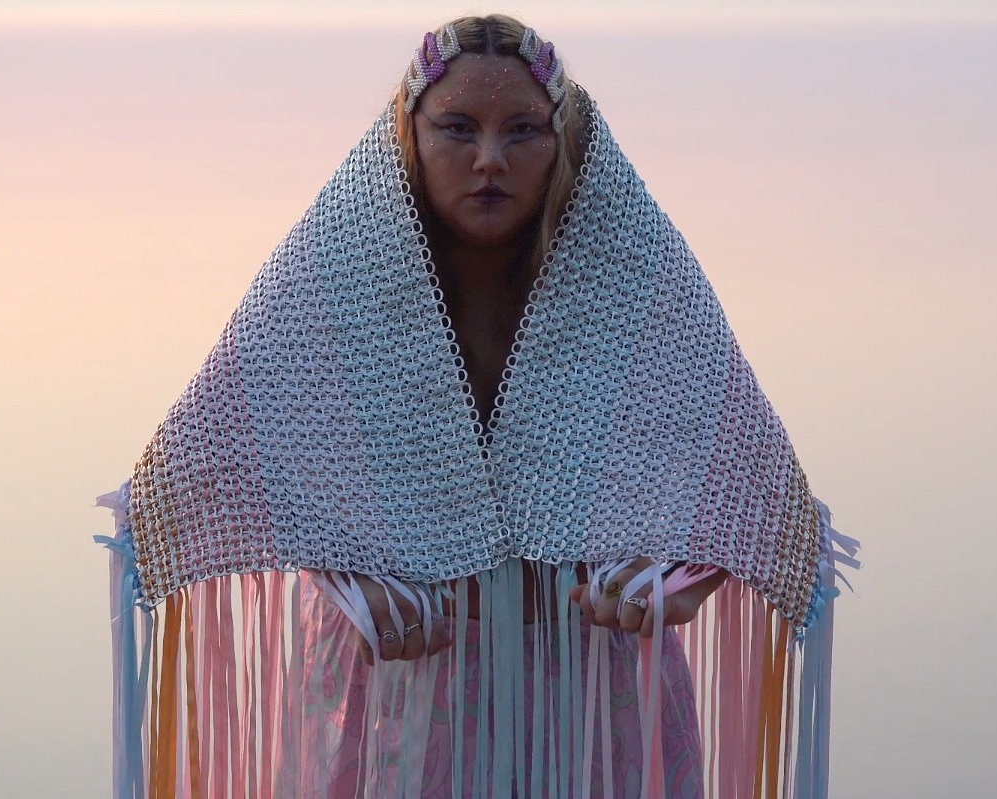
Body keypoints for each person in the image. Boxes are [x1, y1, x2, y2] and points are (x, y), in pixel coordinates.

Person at [96, 13, 859, 799]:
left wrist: (677, 574)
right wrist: (344, 574)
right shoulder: (339, 284)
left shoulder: (633, 285)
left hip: (591, 688)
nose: (489, 159)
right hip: (397, 687)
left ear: (564, 140)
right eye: (458, 127)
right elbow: (237, 468)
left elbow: (745, 490)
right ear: (409, 130)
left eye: (523, 130)